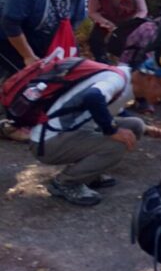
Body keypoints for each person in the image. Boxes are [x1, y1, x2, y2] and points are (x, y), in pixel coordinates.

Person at [27, 60, 144, 206]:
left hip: (71, 130)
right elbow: (93, 97)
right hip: (48, 141)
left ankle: (89, 172)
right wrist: (112, 130)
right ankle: (66, 183)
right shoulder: (117, 79)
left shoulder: (123, 76)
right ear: (147, 78)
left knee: (135, 125)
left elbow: (108, 110)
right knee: (116, 146)